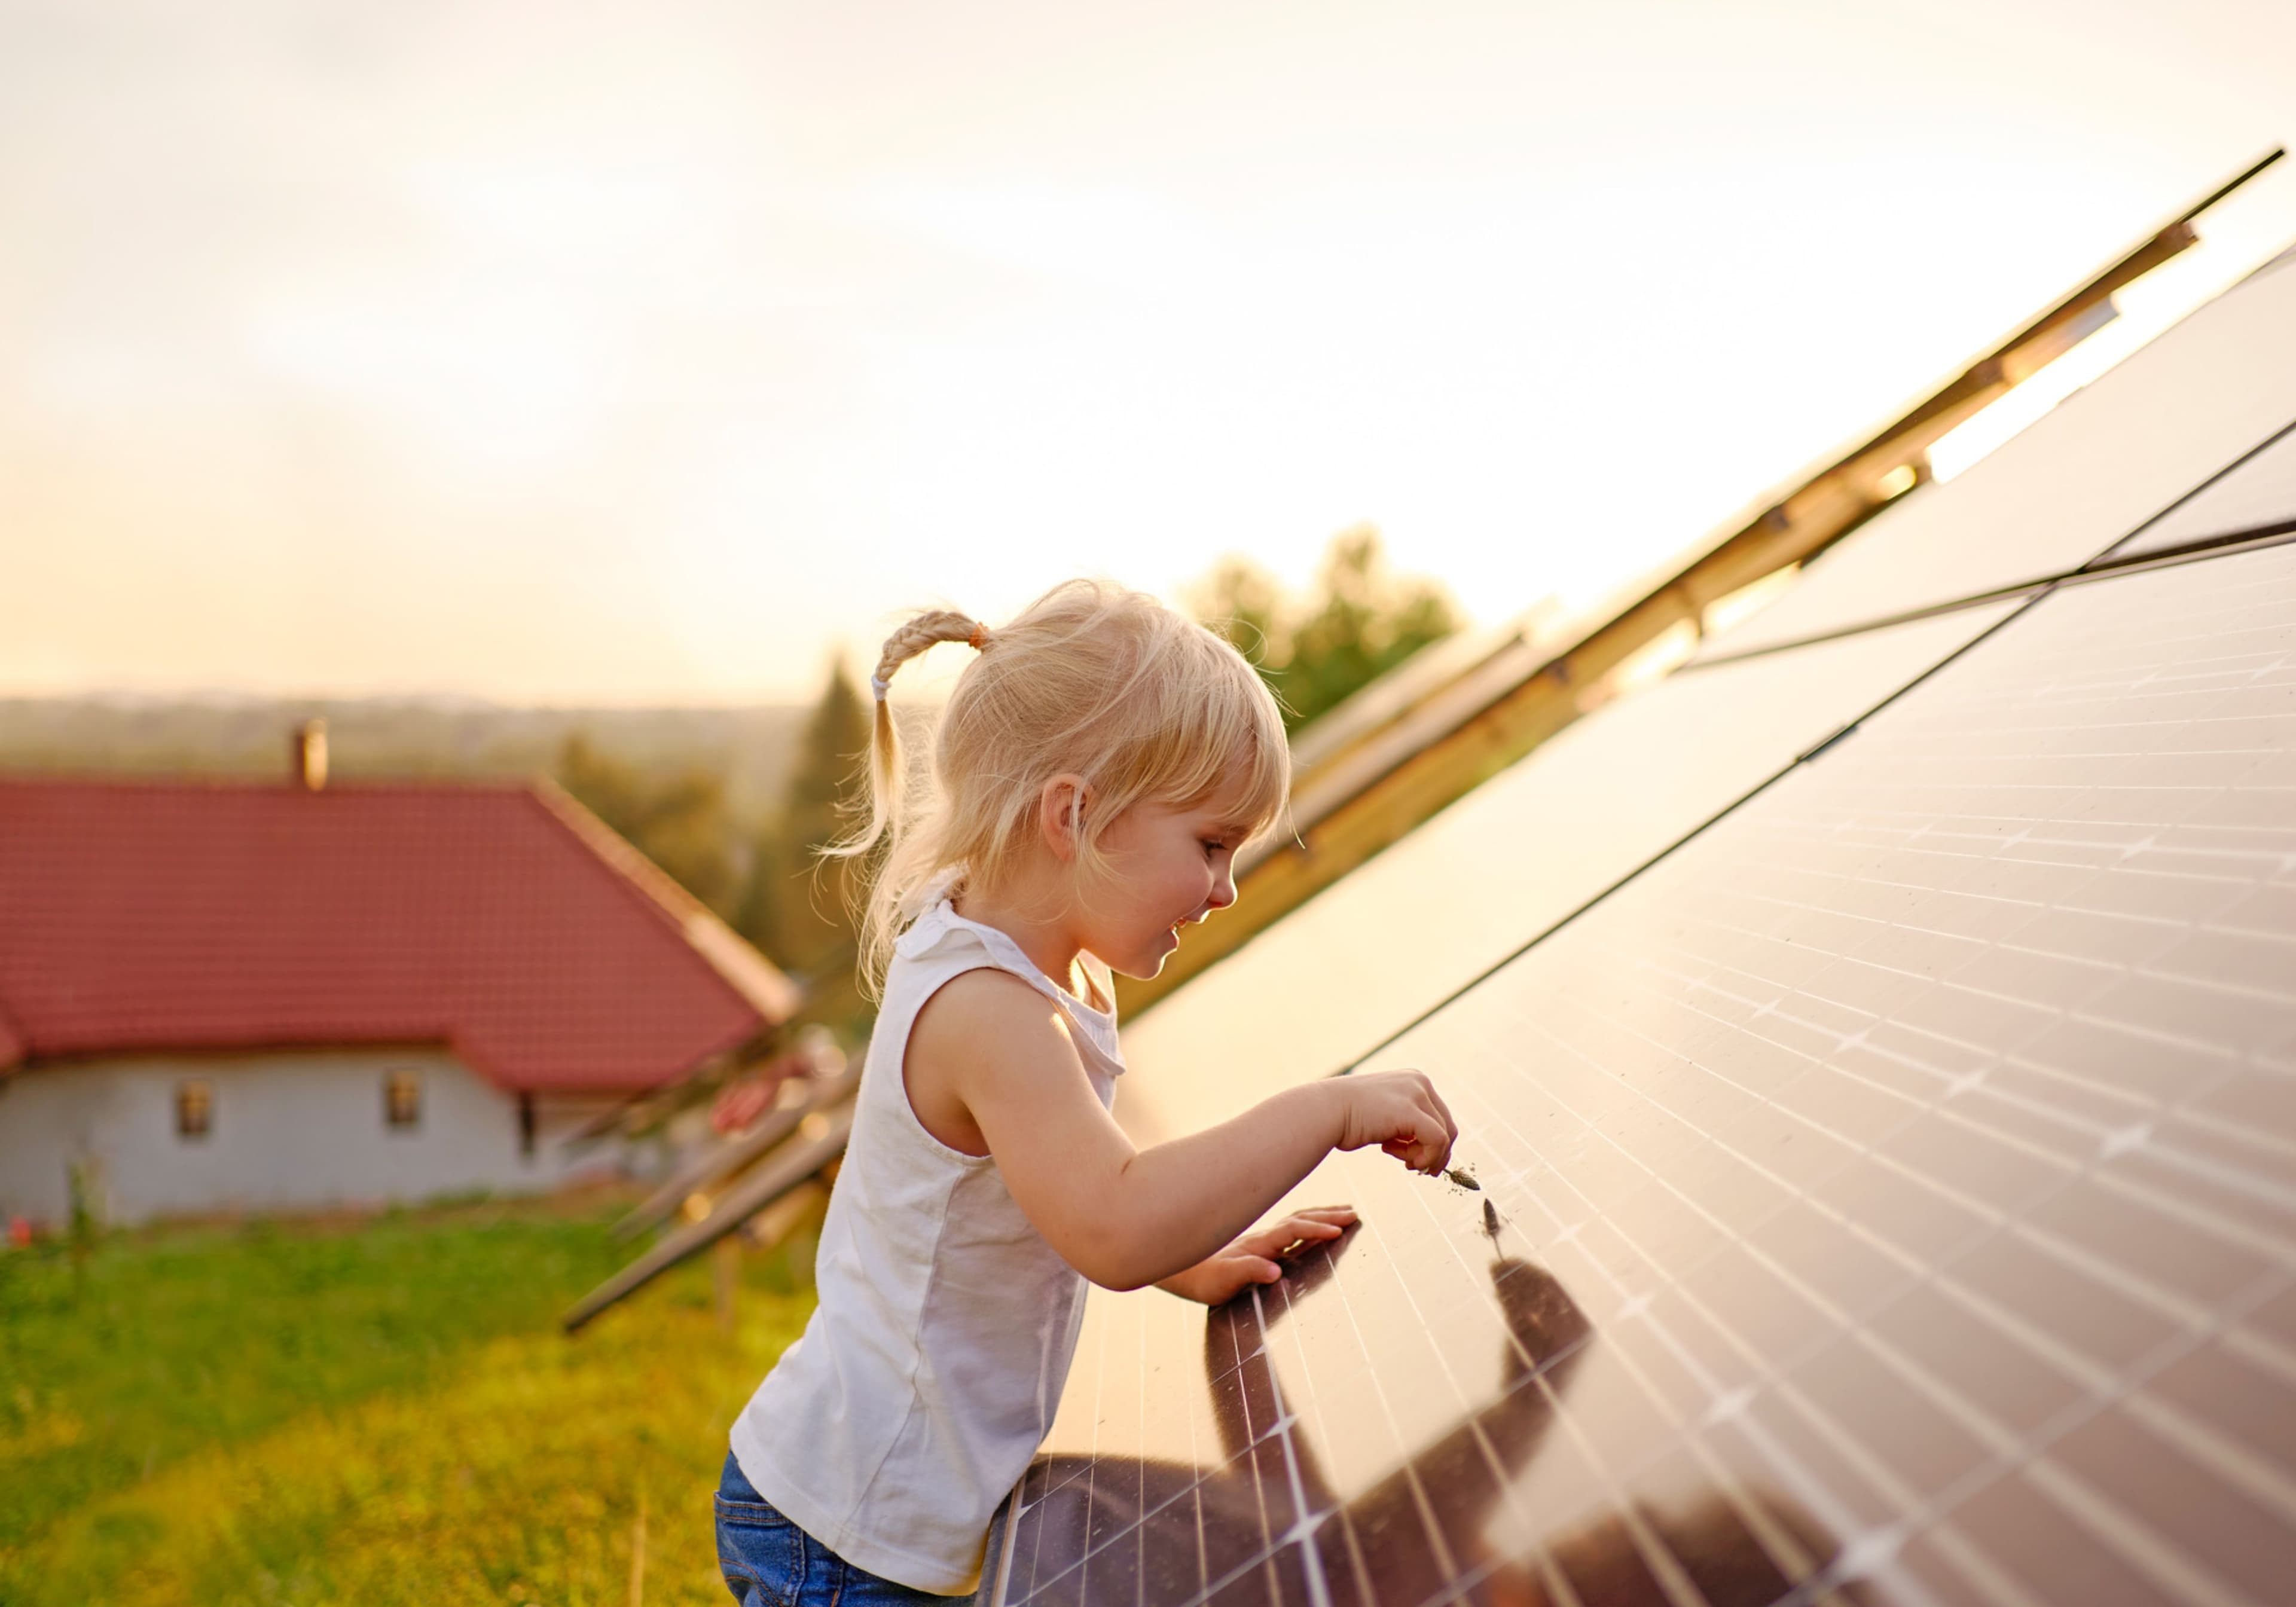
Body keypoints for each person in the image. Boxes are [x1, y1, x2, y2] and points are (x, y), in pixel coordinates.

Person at [715, 579, 1458, 1605]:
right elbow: (1111, 1225)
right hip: (846, 1529)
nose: (1226, 888)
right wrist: (1326, 1110)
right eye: (1209, 844)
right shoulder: (989, 1011)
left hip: (874, 1507)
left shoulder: (1047, 969)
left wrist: (1193, 1258)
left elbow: (1059, 1187)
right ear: (1076, 816)